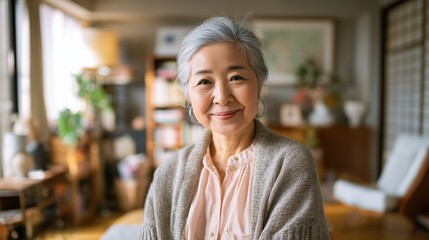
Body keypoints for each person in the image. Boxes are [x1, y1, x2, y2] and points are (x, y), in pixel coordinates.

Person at [140, 16, 330, 239]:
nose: (221, 97)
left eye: (236, 77)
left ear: (259, 84)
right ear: (188, 95)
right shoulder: (168, 173)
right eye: (204, 82)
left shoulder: (290, 163)